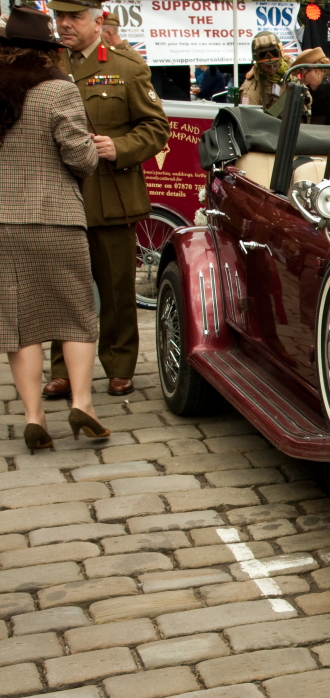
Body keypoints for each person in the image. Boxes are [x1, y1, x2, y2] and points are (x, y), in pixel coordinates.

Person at [44, 0, 170, 399]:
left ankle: (119, 365)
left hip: (110, 195)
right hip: (59, 194)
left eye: (74, 17)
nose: (65, 24)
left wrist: (119, 146)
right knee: (62, 288)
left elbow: (156, 128)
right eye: (60, 17)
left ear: (98, 22)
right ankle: (63, 369)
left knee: (116, 289)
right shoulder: (46, 66)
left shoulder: (125, 66)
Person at [0, 5, 109, 451]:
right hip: (56, 218)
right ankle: (82, 401)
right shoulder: (57, 90)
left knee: (19, 323)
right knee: (78, 312)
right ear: (49, 50)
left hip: (4, 221)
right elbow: (80, 158)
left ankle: (32, 415)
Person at [240, 31, 294, 108]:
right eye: (267, 66)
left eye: (275, 65)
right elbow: (250, 117)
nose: (271, 68)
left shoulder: (292, 71)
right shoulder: (251, 88)